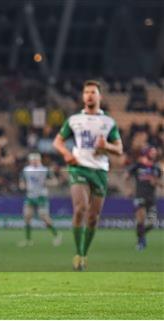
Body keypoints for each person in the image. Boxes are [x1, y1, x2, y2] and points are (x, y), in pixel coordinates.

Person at [53, 80, 123, 271]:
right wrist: (67, 154)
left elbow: (119, 149)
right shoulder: (74, 120)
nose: (89, 95)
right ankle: (77, 254)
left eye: (93, 92)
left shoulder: (108, 121)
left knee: (93, 217)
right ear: (83, 96)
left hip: (100, 171)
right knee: (80, 208)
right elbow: (58, 142)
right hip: (78, 168)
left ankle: (83, 253)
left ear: (100, 96)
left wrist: (106, 146)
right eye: (86, 92)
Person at [18, 153, 62, 247]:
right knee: (27, 216)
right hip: (30, 195)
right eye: (32, 160)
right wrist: (22, 185)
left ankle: (57, 235)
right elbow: (22, 181)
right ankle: (28, 240)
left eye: (36, 160)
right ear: (30, 161)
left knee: (44, 217)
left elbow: (55, 181)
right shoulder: (26, 170)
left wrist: (48, 182)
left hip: (41, 196)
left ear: (39, 160)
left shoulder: (45, 170)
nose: (34, 161)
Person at [125, 146, 162, 250]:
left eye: (155, 152)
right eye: (152, 152)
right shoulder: (138, 165)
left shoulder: (156, 168)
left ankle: (141, 235)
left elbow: (160, 183)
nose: (154, 154)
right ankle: (141, 242)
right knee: (140, 219)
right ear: (146, 153)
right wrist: (128, 189)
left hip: (151, 198)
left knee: (151, 223)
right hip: (139, 196)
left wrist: (156, 182)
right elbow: (126, 176)